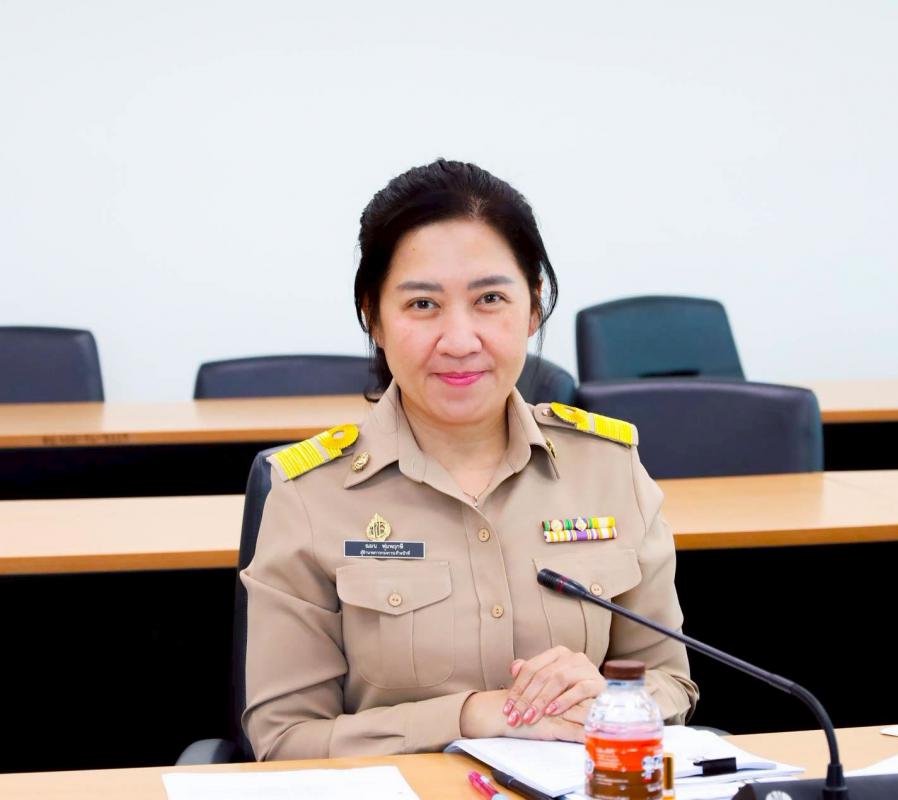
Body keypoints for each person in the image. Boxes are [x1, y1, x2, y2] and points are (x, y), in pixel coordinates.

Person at [241, 159, 697, 760]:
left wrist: (611, 696)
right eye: (422, 305)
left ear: (533, 309)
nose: (459, 341)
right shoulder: (309, 495)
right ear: (373, 317)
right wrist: (472, 716)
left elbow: (671, 684)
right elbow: (284, 740)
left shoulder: (607, 468)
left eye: (490, 299)